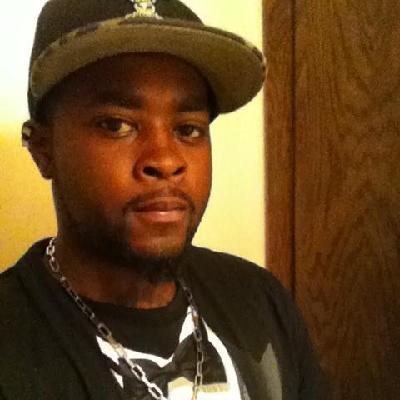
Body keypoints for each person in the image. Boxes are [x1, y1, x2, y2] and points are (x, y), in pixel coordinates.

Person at [0, 0, 325, 399]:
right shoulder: (13, 346)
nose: (166, 160)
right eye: (116, 125)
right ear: (42, 149)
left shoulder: (259, 300)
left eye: (188, 129)